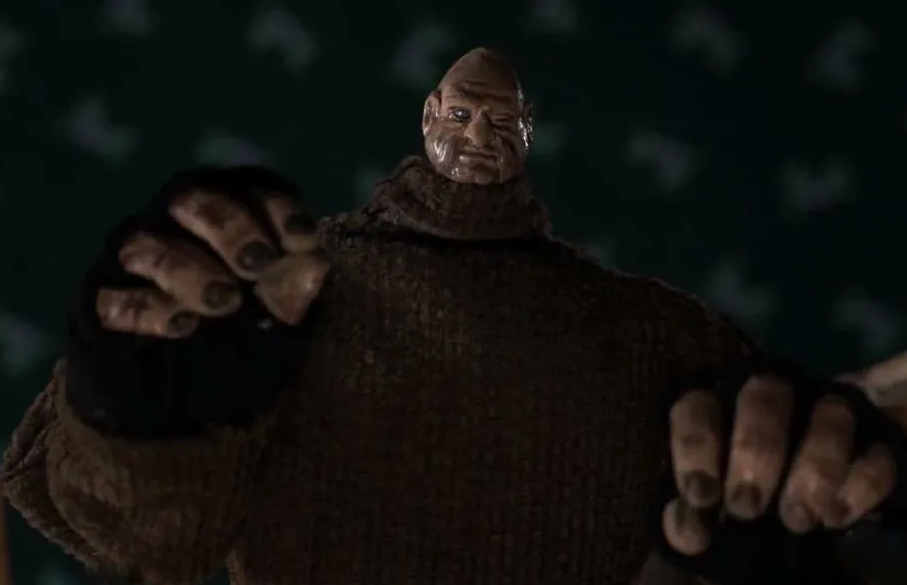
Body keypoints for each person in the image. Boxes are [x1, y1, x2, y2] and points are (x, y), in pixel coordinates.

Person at [1, 47, 905, 585]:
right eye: (463, 113)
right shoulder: (294, 293)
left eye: (498, 122)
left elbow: (789, 500)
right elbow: (135, 534)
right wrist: (133, 397)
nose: (477, 136)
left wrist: (820, 509)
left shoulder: (650, 332)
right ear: (429, 112)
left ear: (528, 134)